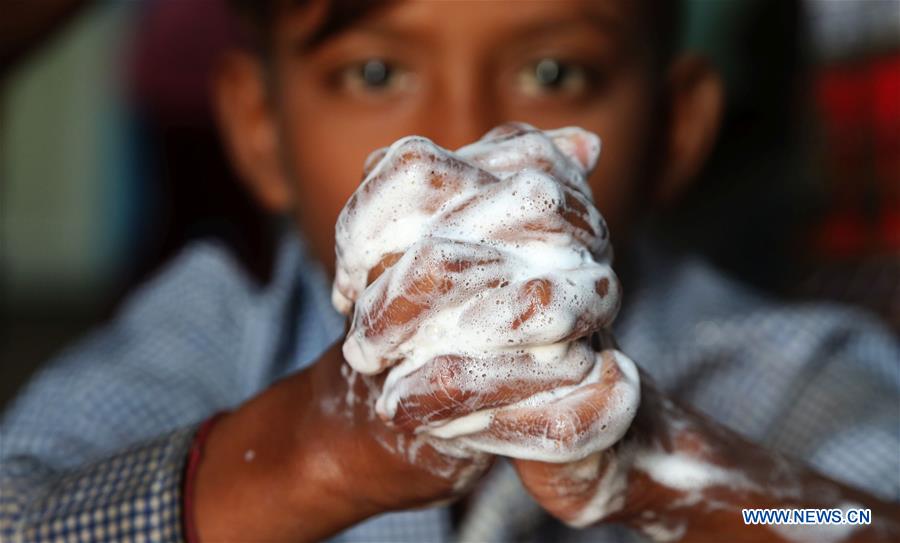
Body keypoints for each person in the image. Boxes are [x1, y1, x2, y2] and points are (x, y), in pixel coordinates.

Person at [2, 1, 898, 542]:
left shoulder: (783, 368)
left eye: (554, 71)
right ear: (258, 127)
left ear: (676, 131)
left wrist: (665, 467)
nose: (464, 141)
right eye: (377, 71)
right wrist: (313, 451)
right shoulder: (209, 335)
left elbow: (854, 523)